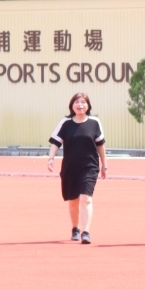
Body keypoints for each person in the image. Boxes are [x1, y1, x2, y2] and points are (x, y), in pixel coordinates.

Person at [47, 93, 107, 244]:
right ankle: (75, 228)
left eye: (83, 102)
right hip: (70, 167)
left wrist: (104, 164)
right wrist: (51, 158)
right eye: (77, 102)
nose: (80, 105)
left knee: (86, 198)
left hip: (89, 166)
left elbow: (100, 145)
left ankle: (86, 232)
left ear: (88, 105)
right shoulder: (65, 123)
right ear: (72, 105)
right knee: (73, 201)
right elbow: (56, 142)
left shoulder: (94, 122)